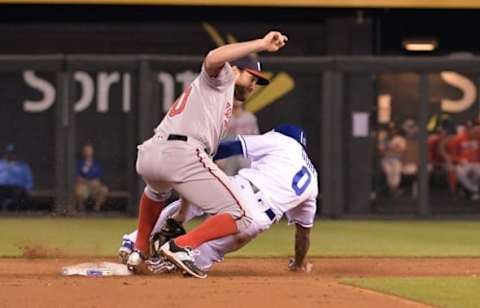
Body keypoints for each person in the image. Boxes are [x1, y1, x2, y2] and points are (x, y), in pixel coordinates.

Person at [127, 31, 288, 278]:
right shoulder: (222, 78)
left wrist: (181, 215)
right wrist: (261, 45)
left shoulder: (216, 102)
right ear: (234, 70)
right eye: (252, 77)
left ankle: (138, 250)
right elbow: (214, 57)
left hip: (152, 153)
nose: (254, 85)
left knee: (156, 190)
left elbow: (190, 176)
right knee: (243, 215)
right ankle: (182, 247)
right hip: (181, 152)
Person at [119, 125, 317, 274]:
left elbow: (233, 146)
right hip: (257, 221)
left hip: (239, 189)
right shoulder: (313, 180)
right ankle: (165, 264)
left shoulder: (282, 140)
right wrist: (299, 263)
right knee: (198, 258)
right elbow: (303, 234)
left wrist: (203, 157)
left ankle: (133, 243)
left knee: (186, 206)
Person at [217, 98, 259, 175]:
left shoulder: (250, 118)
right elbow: (218, 139)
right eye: (235, 97)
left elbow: (256, 139)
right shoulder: (224, 119)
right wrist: (219, 158)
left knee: (248, 180)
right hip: (228, 156)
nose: (237, 100)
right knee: (229, 183)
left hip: (245, 155)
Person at [75, 143, 109, 212]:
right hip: (83, 186)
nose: (88, 153)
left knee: (104, 190)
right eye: (86, 151)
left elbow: (98, 178)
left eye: (89, 151)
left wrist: (95, 183)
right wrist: (88, 182)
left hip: (95, 187)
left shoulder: (96, 164)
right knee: (79, 191)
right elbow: (78, 178)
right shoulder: (79, 163)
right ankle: (81, 209)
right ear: (83, 152)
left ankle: (96, 208)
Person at [0, 144, 33, 210]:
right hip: (2, 187)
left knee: (18, 195)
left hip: (17, 188)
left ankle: (14, 212)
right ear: (5, 154)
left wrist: (28, 189)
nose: (10, 155)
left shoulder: (23, 165)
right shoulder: (1, 164)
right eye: (9, 153)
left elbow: (29, 180)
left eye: (12, 153)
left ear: (16, 154)